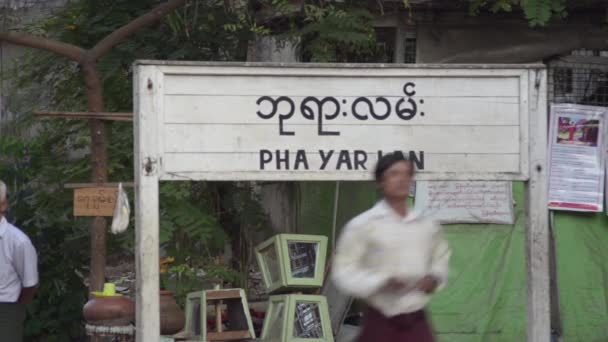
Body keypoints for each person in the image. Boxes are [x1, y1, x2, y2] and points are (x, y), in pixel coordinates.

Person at [331, 152, 450, 342]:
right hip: (380, 319)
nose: (402, 179)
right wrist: (379, 282)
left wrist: (434, 278)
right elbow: (343, 270)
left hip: (417, 319)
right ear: (381, 181)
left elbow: (440, 258)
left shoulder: (426, 226)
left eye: (407, 174)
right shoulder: (362, 225)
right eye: (394, 174)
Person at [0, 180, 38, 342]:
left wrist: (15, 310)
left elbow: (30, 284)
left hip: (6, 309)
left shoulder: (18, 241)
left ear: (3, 205)